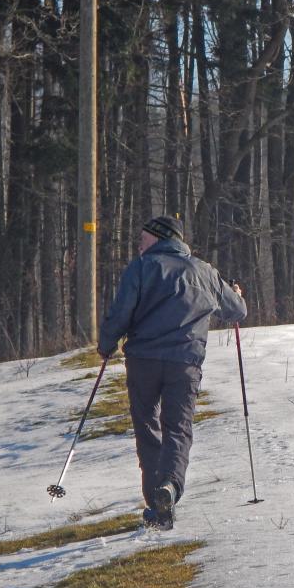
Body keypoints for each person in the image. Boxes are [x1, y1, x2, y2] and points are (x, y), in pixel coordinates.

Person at [98, 214, 247, 530]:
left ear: (158, 237)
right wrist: (234, 291)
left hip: (143, 361)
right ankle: (170, 485)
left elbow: (120, 312)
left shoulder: (140, 269)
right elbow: (237, 310)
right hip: (184, 363)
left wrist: (106, 344)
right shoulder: (204, 272)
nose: (138, 244)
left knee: (147, 428)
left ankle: (158, 506)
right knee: (178, 428)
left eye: (142, 239)